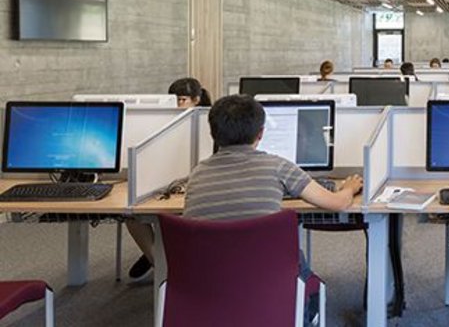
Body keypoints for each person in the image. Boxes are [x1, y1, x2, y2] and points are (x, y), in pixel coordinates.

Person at [183, 95, 362, 325]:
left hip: (207, 281)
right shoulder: (278, 166)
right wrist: (349, 188)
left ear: (213, 135)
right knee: (299, 259)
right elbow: (338, 203)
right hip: (265, 281)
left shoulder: (197, 173)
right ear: (260, 134)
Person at [126, 76, 212, 279]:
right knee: (133, 216)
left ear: (196, 99)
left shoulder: (210, 122)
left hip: (199, 183)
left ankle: (161, 255)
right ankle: (160, 264)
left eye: (182, 99)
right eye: (173, 100)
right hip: (167, 183)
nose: (177, 105)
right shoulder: (164, 123)